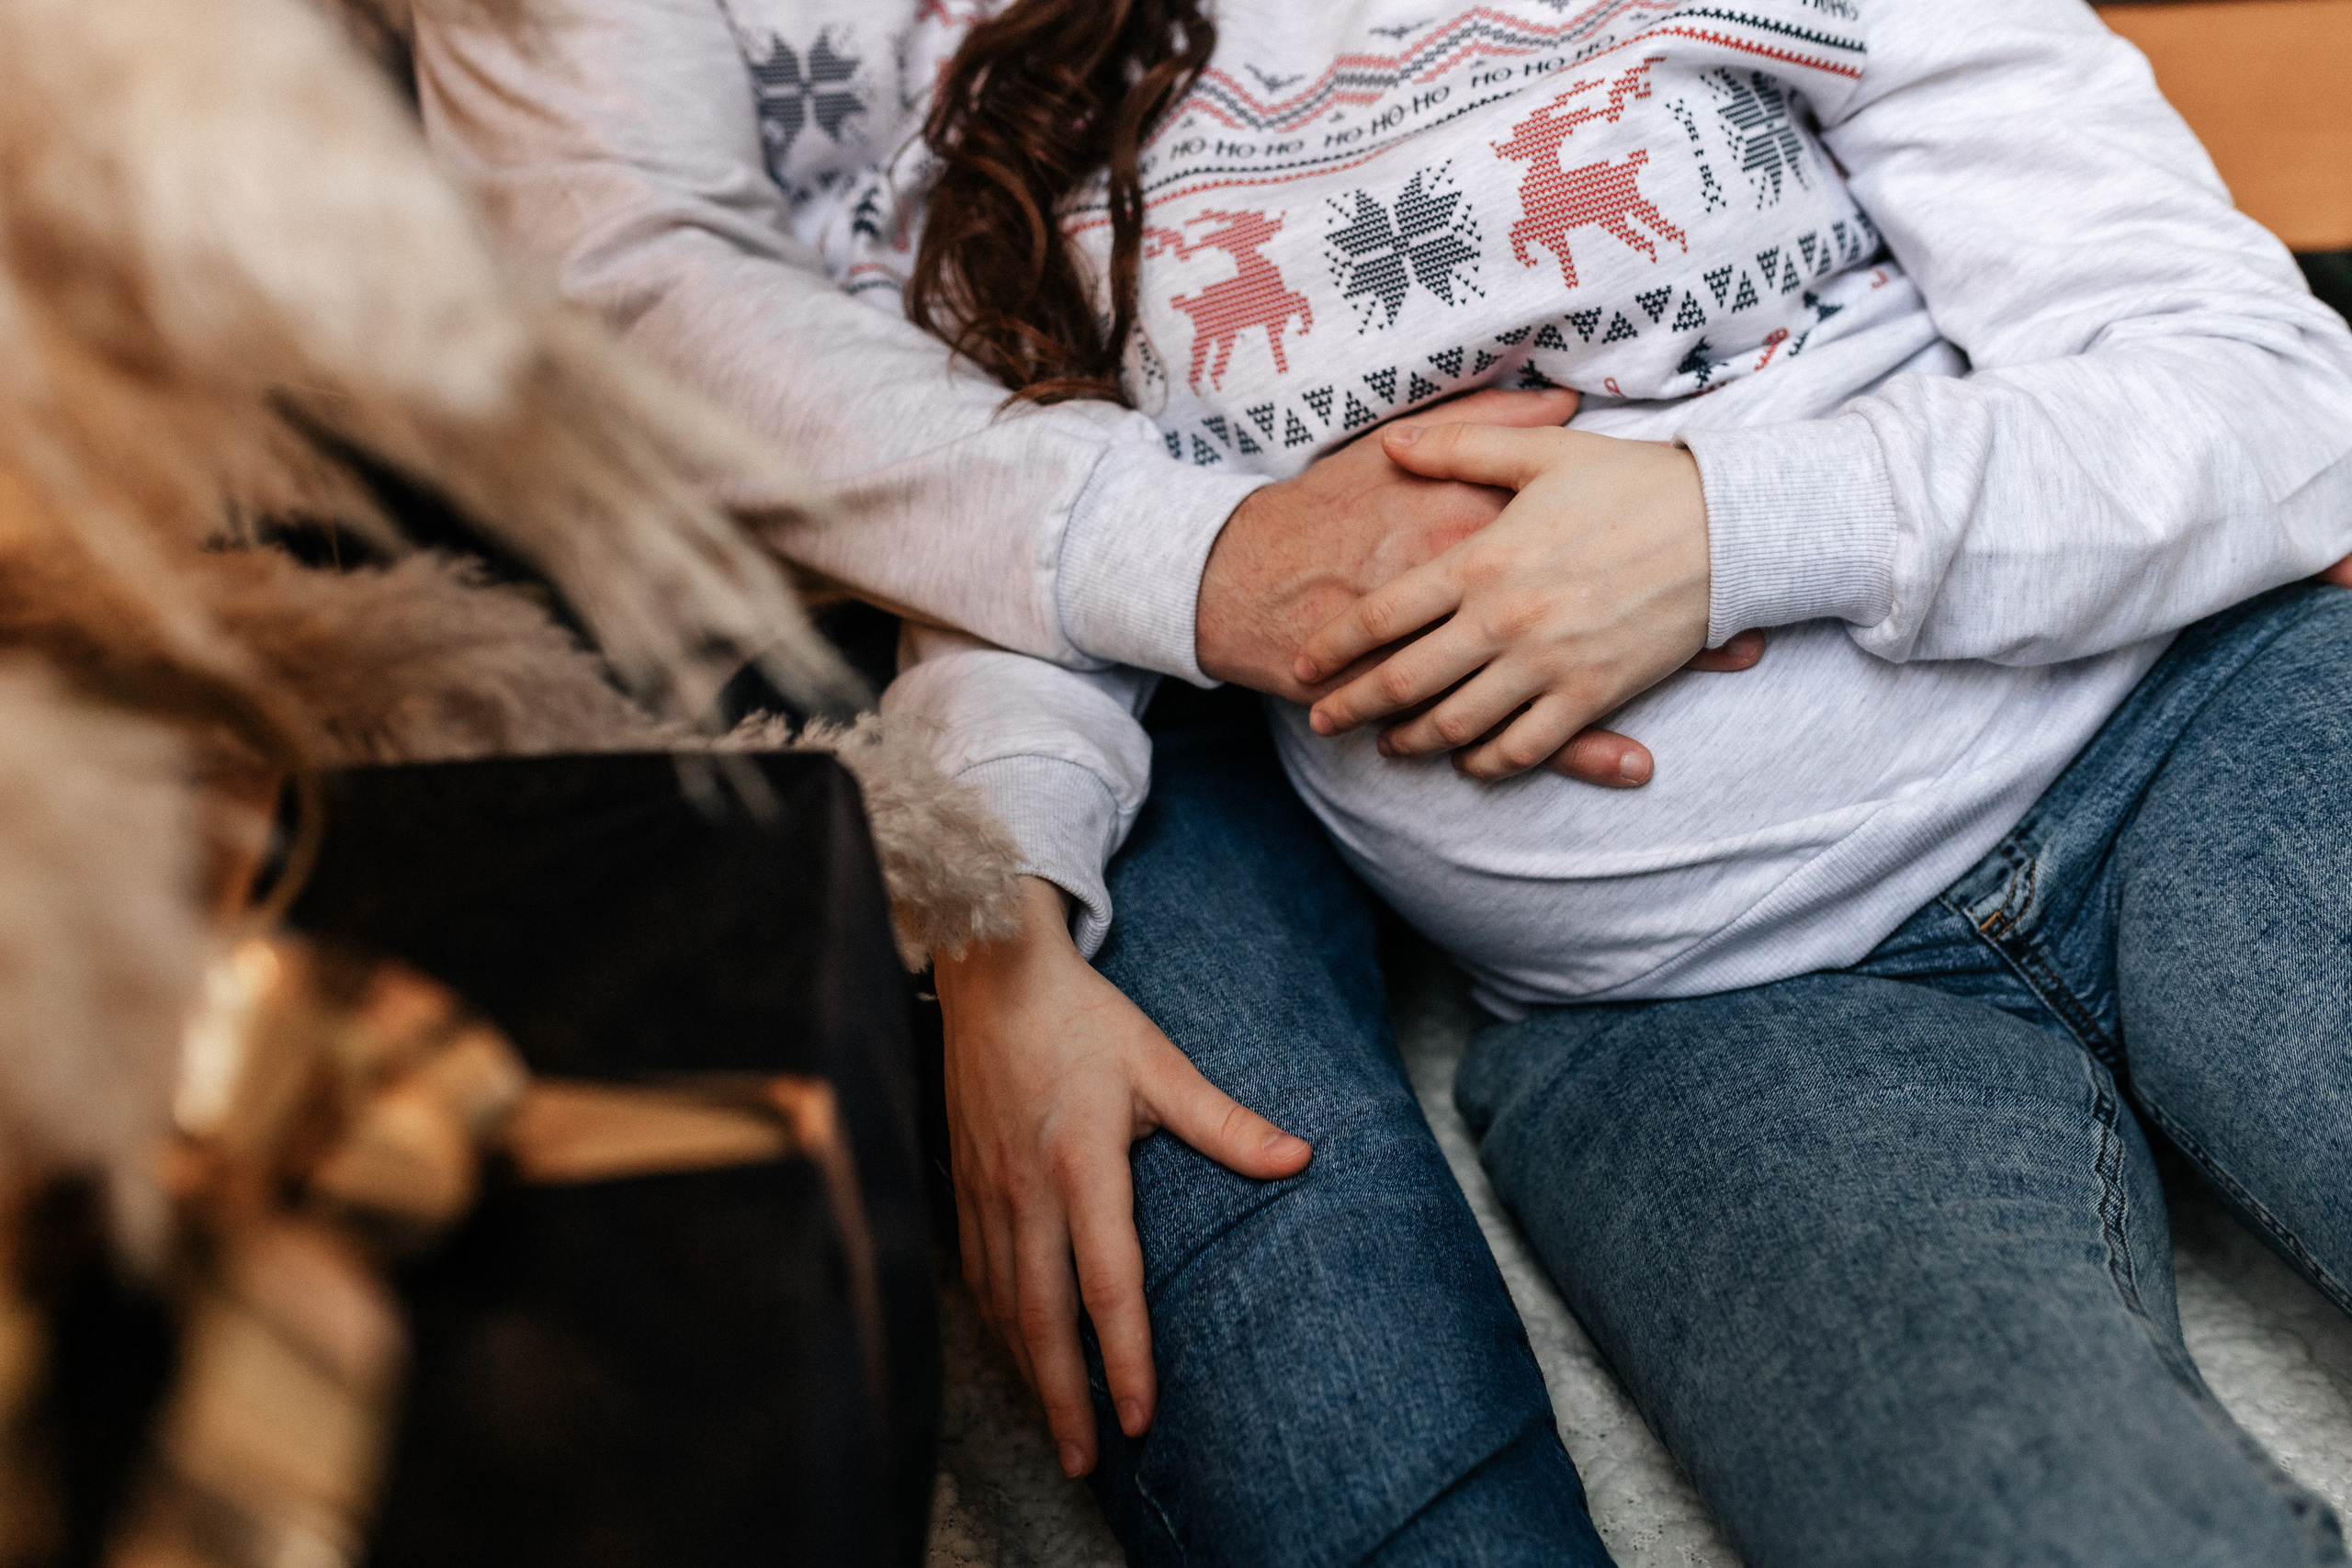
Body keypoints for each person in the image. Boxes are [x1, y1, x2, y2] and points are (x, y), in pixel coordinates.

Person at [414, 0, 2352, 1562]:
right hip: (1686, 1010)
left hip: (2179, 737)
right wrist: (1000, 921)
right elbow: (1024, 576)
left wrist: (1727, 522)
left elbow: (2264, 388)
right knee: (2039, 1521)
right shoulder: (1025, 111)